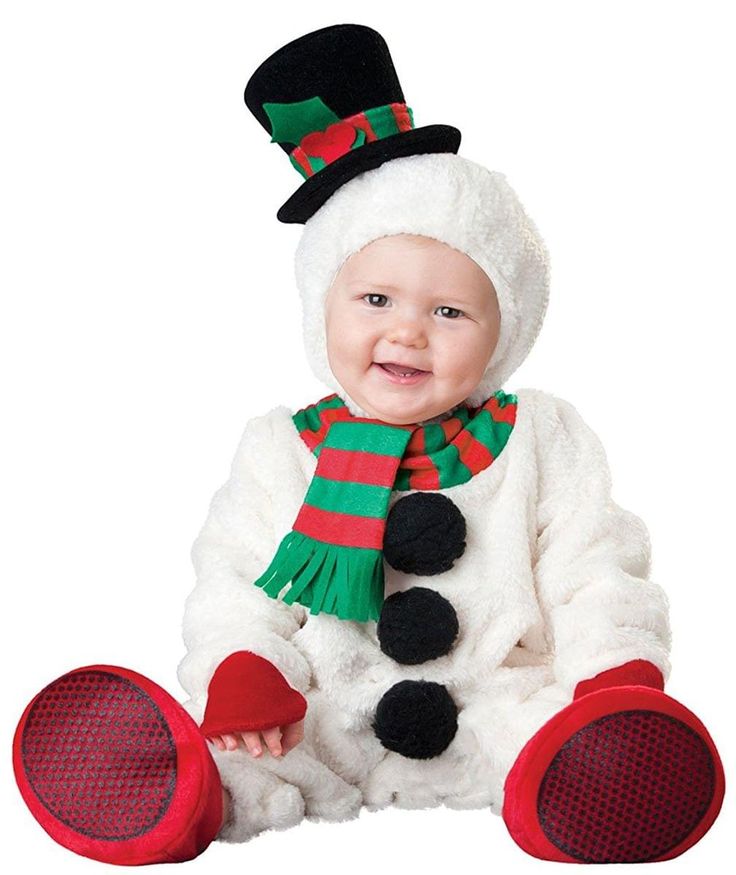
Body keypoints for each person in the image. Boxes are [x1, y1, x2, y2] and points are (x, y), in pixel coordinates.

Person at [13, 22, 724, 867]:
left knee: (565, 728)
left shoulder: (541, 435)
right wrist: (243, 663)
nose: (408, 334)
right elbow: (238, 576)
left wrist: (616, 670)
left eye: (449, 312)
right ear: (324, 304)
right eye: (376, 298)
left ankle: (594, 776)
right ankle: (181, 795)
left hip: (503, 704)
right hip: (330, 709)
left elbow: (593, 565)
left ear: (507, 329)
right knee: (260, 750)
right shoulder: (285, 446)